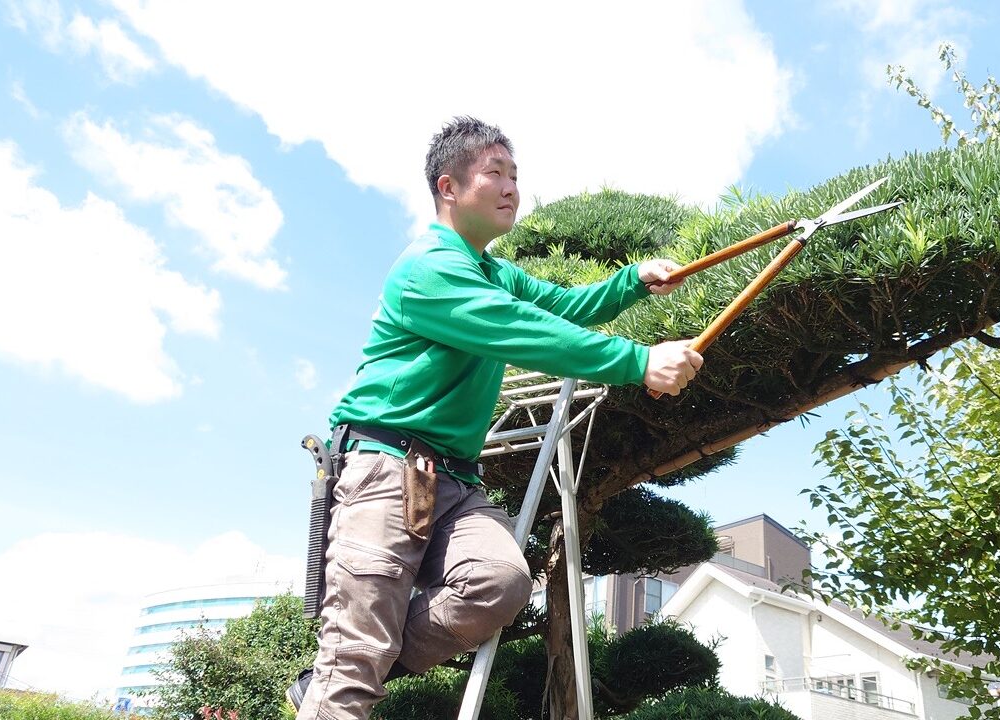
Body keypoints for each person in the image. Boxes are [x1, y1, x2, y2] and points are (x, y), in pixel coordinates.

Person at [291, 116, 703, 719]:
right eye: (496, 173)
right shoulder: (427, 267)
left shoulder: (493, 271)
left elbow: (565, 306)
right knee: (355, 662)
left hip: (454, 479)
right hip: (383, 467)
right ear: (448, 187)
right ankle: (349, 664)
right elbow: (520, 329)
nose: (513, 188)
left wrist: (632, 282)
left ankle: (349, 661)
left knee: (500, 582)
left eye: (516, 175)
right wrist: (638, 360)